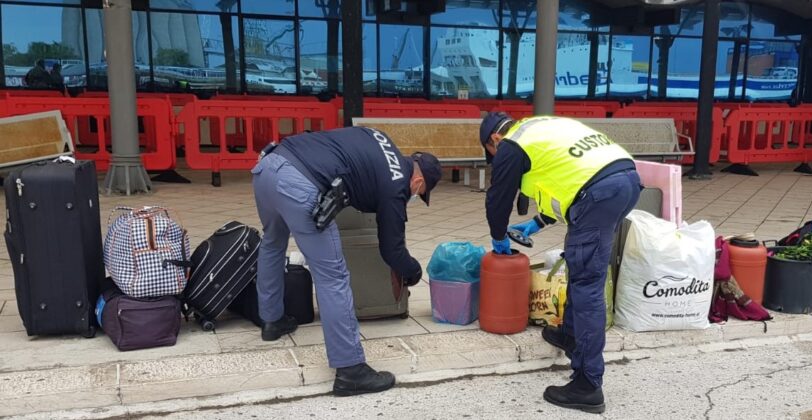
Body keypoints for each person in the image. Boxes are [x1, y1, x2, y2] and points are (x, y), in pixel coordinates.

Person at [252, 126, 442, 397]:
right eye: (419, 192)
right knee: (333, 276)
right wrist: (412, 272)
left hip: (268, 167)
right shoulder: (397, 183)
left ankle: (271, 321)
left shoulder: (379, 138)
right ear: (419, 181)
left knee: (272, 243)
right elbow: (392, 250)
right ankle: (350, 370)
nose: (414, 195)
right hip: (298, 184)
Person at [478, 112, 641, 414]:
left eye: (491, 155)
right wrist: (536, 223)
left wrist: (498, 235)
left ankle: (588, 384)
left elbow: (498, 199)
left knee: (587, 285)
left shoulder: (511, 146)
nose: (495, 160)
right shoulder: (539, 127)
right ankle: (569, 334)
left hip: (600, 190)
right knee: (581, 262)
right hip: (625, 178)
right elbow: (568, 179)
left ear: (494, 140)